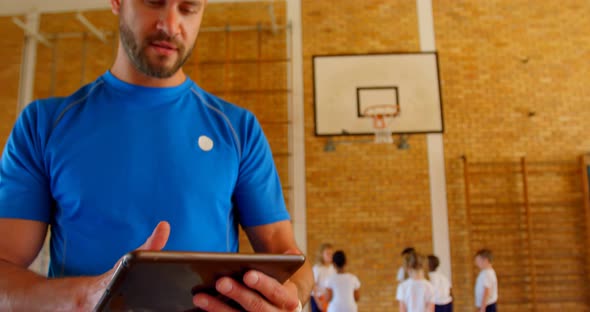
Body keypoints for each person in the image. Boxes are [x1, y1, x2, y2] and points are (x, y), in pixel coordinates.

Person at [0, 0, 313, 311]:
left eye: (188, 8)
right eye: (154, 2)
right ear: (117, 3)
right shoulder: (43, 125)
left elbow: (288, 256)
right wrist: (86, 296)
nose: (170, 24)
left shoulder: (238, 129)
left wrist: (291, 301)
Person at [311, 243, 336, 312]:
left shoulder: (333, 268)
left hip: (329, 299)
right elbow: (313, 286)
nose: (330, 256)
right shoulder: (317, 268)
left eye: (331, 254)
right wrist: (318, 302)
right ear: (321, 254)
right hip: (318, 298)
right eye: (328, 254)